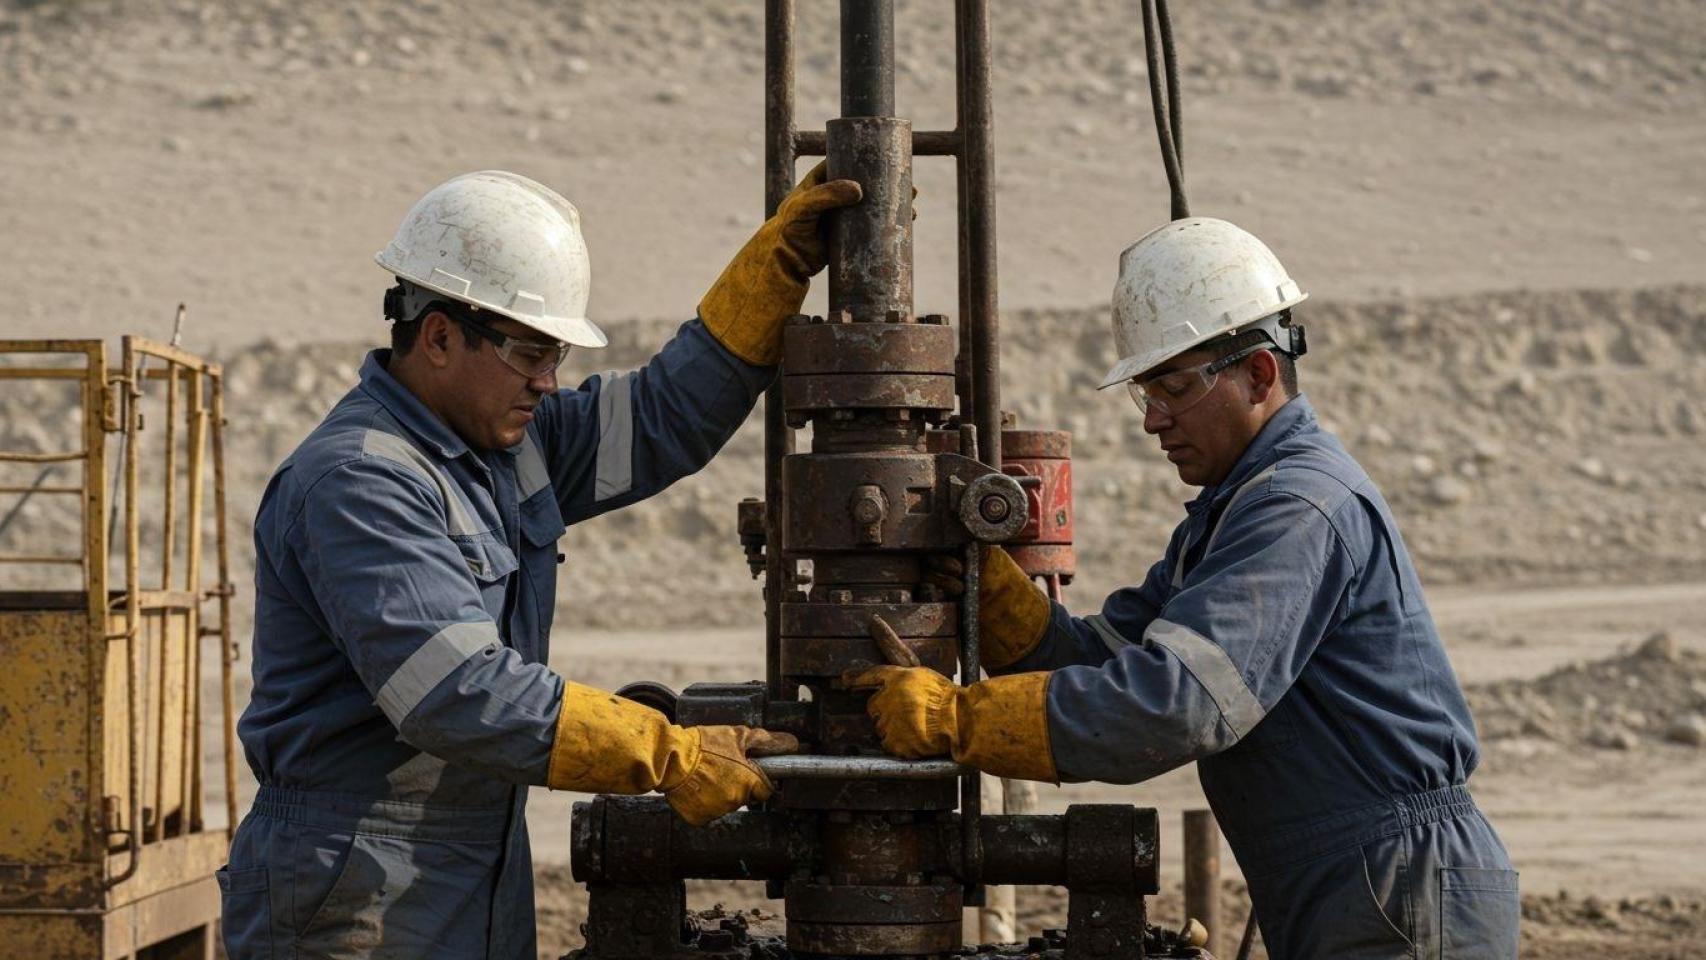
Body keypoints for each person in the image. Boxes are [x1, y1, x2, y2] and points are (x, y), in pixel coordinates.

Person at [218, 165, 861, 959]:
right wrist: (666, 752)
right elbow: (456, 693)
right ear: (441, 336)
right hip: (355, 877)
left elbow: (663, 418)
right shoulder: (360, 480)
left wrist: (776, 269)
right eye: (530, 352)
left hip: (468, 856)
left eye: (555, 353)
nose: (549, 381)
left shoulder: (503, 445)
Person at [850, 218, 1520, 959]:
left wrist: (957, 719)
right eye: (1146, 392)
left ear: (1259, 375)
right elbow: (1109, 659)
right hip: (1353, 879)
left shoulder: (1296, 508)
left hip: (1396, 879)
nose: (1154, 420)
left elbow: (1176, 703)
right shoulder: (1235, 510)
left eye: (1172, 387)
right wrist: (1002, 605)